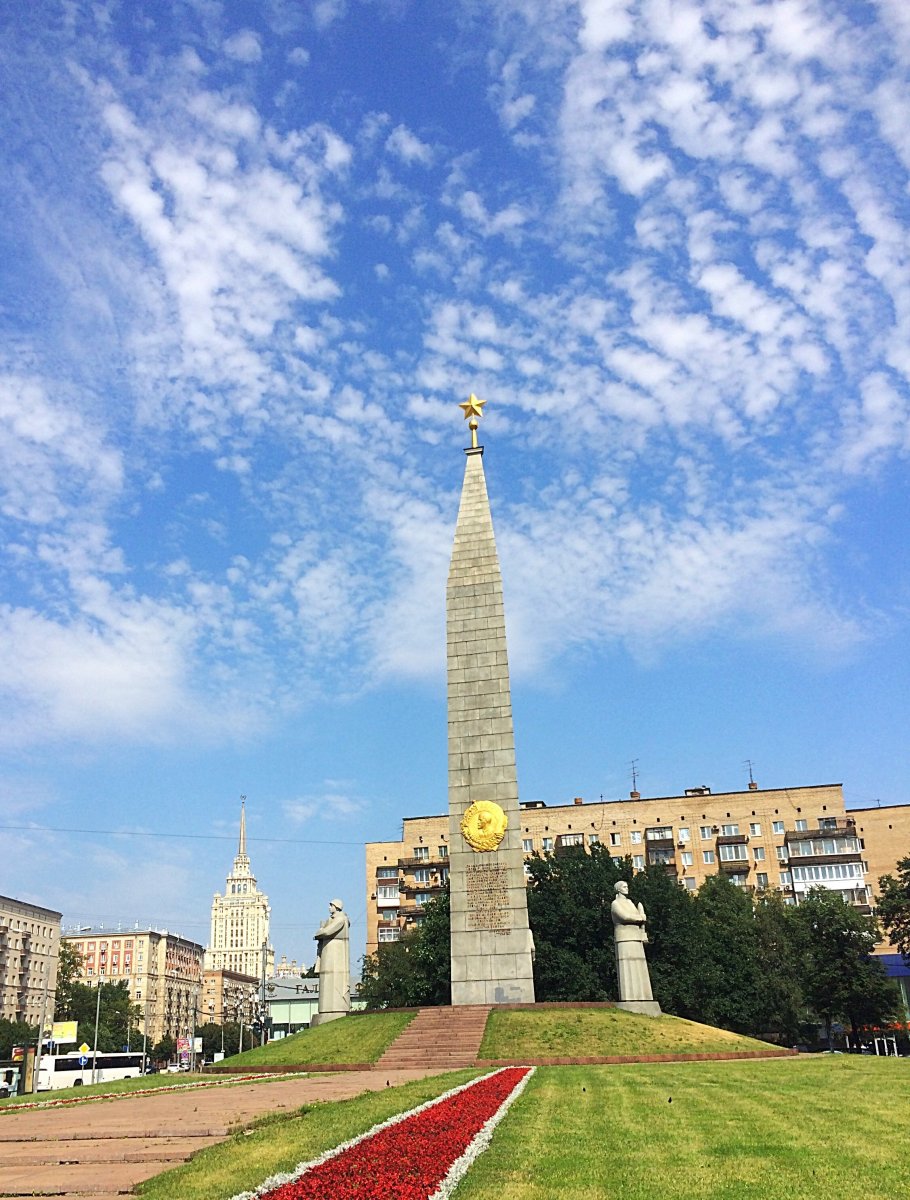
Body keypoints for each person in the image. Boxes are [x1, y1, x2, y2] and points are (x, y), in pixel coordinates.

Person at [611, 880, 655, 1004]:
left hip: (636, 937)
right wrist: (640, 917)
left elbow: (634, 915)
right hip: (624, 938)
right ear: (619, 889)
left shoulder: (630, 903)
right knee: (628, 967)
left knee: (639, 967)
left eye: (627, 886)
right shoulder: (615, 903)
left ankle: (644, 997)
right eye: (624, 887)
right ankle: (629, 999)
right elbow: (624, 916)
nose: (627, 888)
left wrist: (641, 917)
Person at [313, 899, 351, 1021]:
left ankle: (336, 1007)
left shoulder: (340, 919)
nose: (329, 908)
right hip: (328, 951)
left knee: (335, 979)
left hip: (336, 953)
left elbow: (326, 931)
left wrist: (319, 932)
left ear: (337, 907)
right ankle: (326, 1008)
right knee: (327, 978)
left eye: (331, 906)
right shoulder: (332, 919)